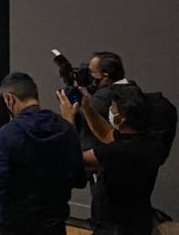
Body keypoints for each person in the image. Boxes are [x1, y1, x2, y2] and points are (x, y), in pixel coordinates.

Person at [0, 72, 86, 235]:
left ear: (10, 98)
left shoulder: (7, 135)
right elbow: (79, 179)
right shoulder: (65, 129)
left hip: (15, 226)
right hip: (54, 225)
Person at [59, 85, 162, 235]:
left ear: (122, 117)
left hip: (113, 227)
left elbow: (73, 159)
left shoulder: (115, 152)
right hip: (139, 222)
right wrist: (86, 108)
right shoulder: (148, 142)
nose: (110, 111)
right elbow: (107, 133)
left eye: (112, 108)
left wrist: (68, 120)